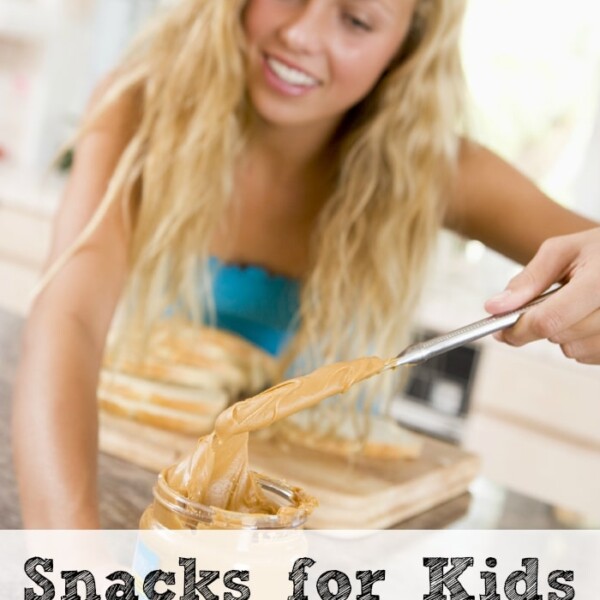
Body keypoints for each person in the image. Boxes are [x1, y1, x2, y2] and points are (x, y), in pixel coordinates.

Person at [11, 0, 600, 529]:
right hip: (132, 500)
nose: (301, 33)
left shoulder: (441, 172)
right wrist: (71, 562)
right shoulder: (139, 109)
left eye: (356, 20)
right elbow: (69, 323)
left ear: (406, 44)